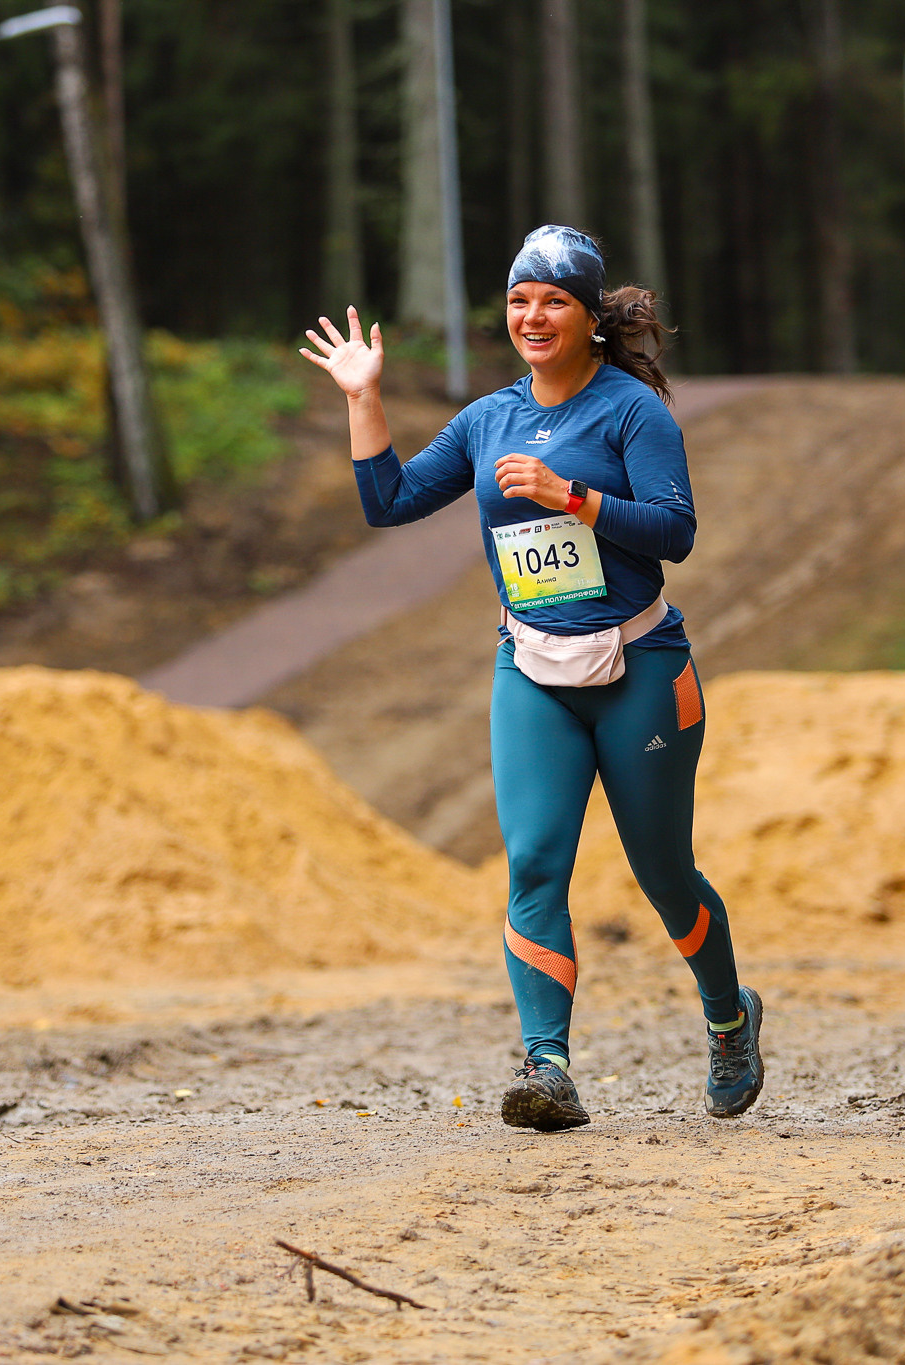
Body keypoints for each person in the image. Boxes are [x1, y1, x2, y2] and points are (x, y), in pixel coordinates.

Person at [298, 225, 763, 1132]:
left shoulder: (634, 411)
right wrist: (365, 397)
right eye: (519, 299)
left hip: (639, 666)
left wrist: (571, 497)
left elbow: (677, 532)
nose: (533, 315)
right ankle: (547, 1067)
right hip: (533, 671)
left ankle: (729, 1018)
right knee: (537, 863)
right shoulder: (488, 418)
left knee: (665, 874)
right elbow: (386, 502)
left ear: (591, 318)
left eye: (553, 299)